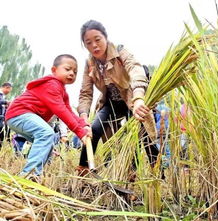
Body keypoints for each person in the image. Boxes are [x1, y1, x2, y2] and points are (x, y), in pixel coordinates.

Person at [76, 20, 159, 174]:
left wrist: (139, 97)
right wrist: (83, 115)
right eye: (88, 42)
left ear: (105, 37)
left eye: (97, 39)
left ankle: (158, 173)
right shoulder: (90, 63)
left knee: (144, 135)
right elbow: (86, 93)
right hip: (111, 103)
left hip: (131, 99)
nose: (94, 45)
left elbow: (136, 70)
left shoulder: (121, 52)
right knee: (94, 128)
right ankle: (84, 169)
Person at [5, 54, 92, 177]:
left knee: (48, 142)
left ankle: (36, 172)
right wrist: (80, 132)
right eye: (67, 69)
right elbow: (61, 112)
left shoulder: (63, 93)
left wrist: (84, 125)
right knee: (46, 133)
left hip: (21, 117)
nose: (72, 73)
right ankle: (30, 175)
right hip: (20, 113)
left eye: (75, 71)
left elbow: (70, 112)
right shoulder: (52, 85)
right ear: (54, 70)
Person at [0, 82, 12, 147]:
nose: (9, 92)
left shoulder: (2, 96)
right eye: (9, 90)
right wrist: (6, 102)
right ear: (6, 87)